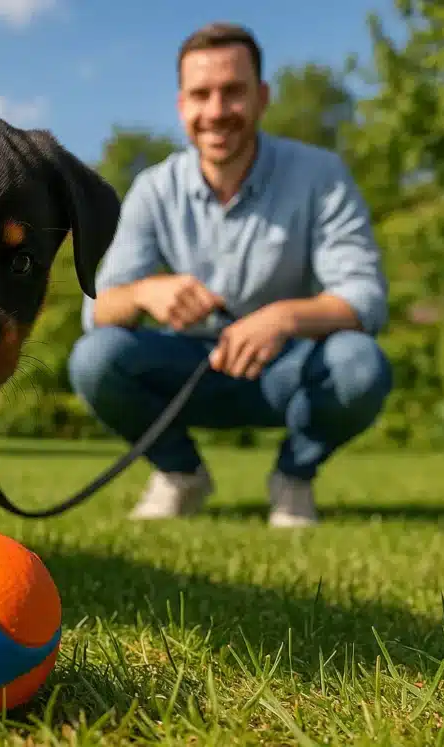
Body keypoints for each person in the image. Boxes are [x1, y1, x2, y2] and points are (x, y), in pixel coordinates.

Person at [67, 21, 392, 527]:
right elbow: (97, 309)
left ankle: (293, 478)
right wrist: (147, 291)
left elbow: (365, 298)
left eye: (233, 92)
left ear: (262, 97)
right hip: (187, 368)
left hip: (286, 369)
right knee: (96, 358)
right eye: (201, 95)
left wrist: (283, 317)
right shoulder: (154, 189)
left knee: (360, 363)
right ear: (182, 106)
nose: (216, 112)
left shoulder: (320, 175)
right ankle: (181, 474)